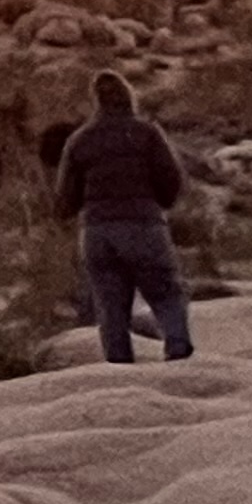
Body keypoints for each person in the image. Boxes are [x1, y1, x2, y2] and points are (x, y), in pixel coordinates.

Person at [53, 71, 194, 365]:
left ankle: (119, 365)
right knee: (165, 292)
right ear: (130, 96)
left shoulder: (80, 140)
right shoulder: (146, 132)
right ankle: (178, 353)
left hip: (97, 231)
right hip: (143, 224)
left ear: (96, 101)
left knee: (110, 305)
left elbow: (66, 199)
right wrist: (161, 204)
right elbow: (171, 179)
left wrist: (74, 214)